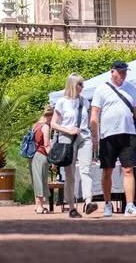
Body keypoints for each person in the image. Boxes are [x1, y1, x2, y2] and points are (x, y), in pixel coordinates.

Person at [90, 60, 136, 218]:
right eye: (120, 72)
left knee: (129, 169)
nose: (123, 75)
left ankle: (130, 205)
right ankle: (108, 204)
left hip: (128, 133)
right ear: (112, 72)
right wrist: (94, 136)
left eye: (125, 72)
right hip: (107, 135)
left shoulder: (131, 88)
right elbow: (95, 114)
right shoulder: (101, 89)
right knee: (107, 171)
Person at [51, 73, 95, 218]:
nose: (82, 87)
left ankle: (88, 201)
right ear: (72, 85)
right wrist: (68, 130)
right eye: (80, 84)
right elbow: (53, 124)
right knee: (70, 174)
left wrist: (95, 137)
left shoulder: (85, 102)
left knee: (86, 169)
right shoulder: (61, 102)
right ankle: (71, 207)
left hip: (84, 136)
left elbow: (88, 121)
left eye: (83, 84)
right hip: (67, 138)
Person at [30, 105, 52, 214]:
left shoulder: (35, 125)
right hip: (42, 155)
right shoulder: (45, 127)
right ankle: (40, 207)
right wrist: (52, 160)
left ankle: (37, 205)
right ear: (49, 116)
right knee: (42, 180)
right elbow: (47, 145)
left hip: (34, 156)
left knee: (37, 179)